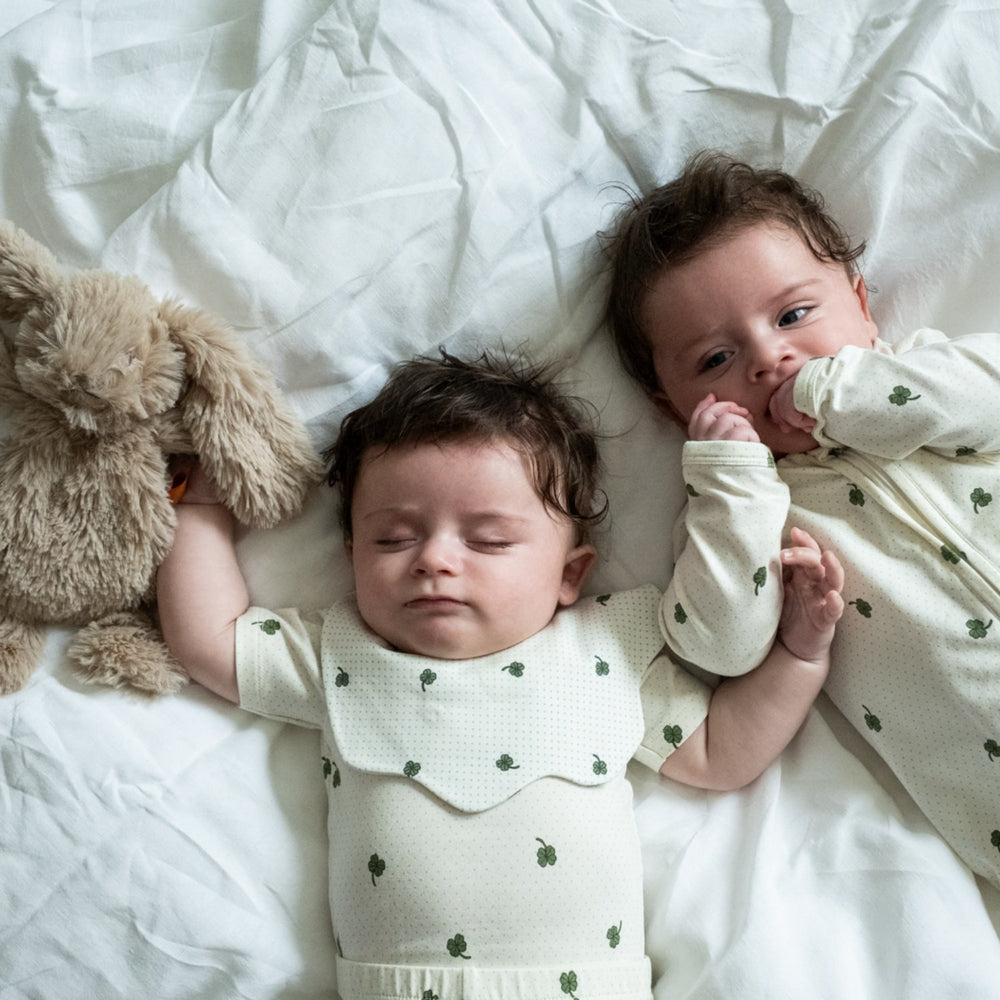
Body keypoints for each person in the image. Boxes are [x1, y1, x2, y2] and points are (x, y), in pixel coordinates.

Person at [157, 350, 843, 1000]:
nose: (435, 560)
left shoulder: (604, 652)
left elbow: (721, 752)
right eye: (394, 538)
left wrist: (799, 654)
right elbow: (211, 639)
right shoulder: (340, 656)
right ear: (351, 556)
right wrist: (201, 504)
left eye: (487, 540)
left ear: (570, 574)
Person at [601, 148, 1000, 888]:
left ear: (862, 303)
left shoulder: (928, 380)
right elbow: (721, 647)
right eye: (715, 360)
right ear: (673, 409)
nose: (769, 359)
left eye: (793, 316)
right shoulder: (744, 516)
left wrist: (839, 392)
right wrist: (732, 480)